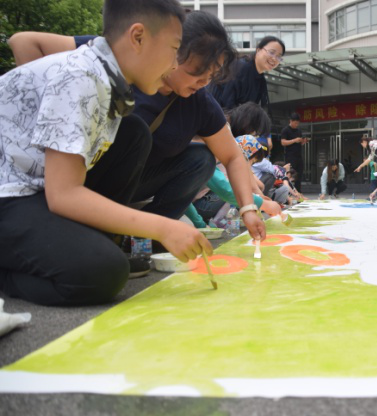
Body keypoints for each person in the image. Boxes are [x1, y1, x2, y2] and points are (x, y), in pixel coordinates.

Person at [0, 0, 197, 306]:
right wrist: (162, 227)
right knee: (102, 273)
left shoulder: (107, 79)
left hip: (34, 189)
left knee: (133, 133)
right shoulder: (80, 75)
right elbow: (63, 194)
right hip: (9, 193)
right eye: (174, 49)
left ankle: (89, 243)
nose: (174, 65)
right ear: (138, 37)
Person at [8, 13, 267, 243]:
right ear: (169, 49)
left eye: (211, 76)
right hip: (72, 173)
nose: (203, 82)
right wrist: (50, 116)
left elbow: (232, 155)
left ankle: (138, 239)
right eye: (198, 71)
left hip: (125, 182)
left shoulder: (199, 102)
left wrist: (247, 208)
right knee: (134, 130)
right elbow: (24, 42)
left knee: (200, 159)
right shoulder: (109, 62)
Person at [211, 36, 285, 154]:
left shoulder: (260, 79)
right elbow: (226, 102)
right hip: (213, 123)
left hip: (228, 128)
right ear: (258, 50)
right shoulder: (240, 67)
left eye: (279, 56)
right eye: (271, 52)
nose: (274, 58)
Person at [281, 112, 309, 192]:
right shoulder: (285, 130)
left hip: (298, 156)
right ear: (291, 121)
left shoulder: (299, 130)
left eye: (298, 123)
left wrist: (303, 141)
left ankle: (298, 192)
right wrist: (294, 140)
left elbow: (299, 143)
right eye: (295, 123)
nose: (296, 125)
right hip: (290, 156)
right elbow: (283, 142)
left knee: (299, 175)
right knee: (290, 174)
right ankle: (289, 192)